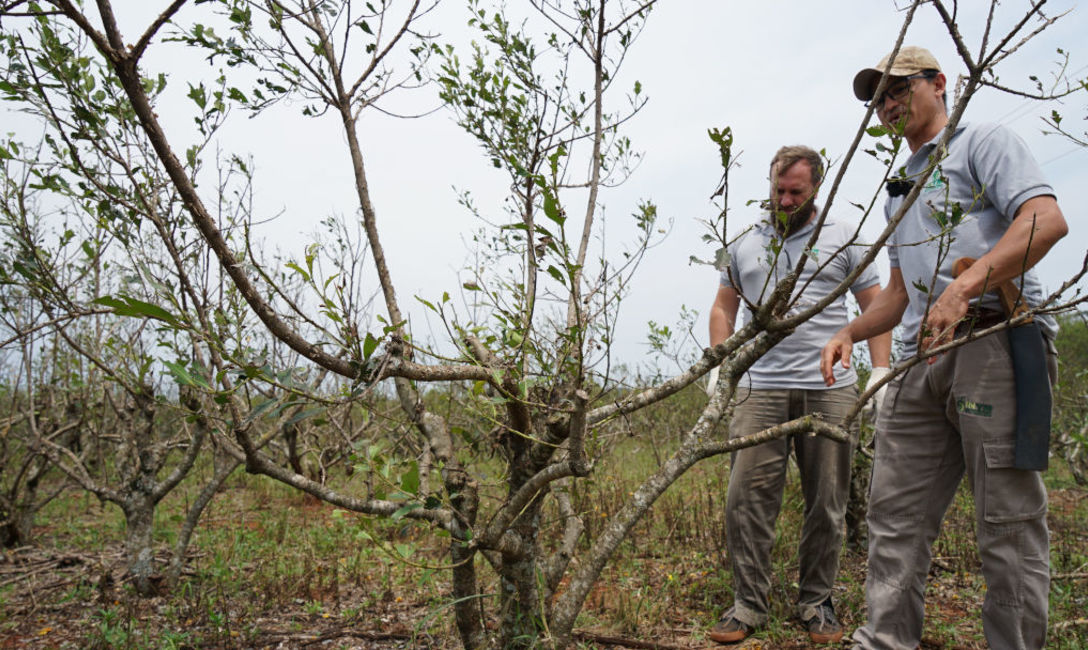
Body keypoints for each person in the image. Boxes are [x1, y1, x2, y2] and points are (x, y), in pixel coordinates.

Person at [821, 46, 1068, 650]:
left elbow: (1045, 219)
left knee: (1006, 520)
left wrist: (965, 286)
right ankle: (883, 639)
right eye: (878, 97)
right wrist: (850, 332)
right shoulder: (900, 186)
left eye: (899, 88)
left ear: (940, 83)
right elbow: (901, 293)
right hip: (920, 353)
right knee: (893, 512)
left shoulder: (982, 143)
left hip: (995, 334)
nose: (887, 103)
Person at [707, 145, 892, 645]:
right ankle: (748, 604)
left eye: (796, 192)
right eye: (778, 190)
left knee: (826, 501)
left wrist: (880, 368)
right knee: (746, 499)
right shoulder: (744, 241)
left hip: (829, 389)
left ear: (816, 189)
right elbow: (723, 307)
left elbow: (874, 305)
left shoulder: (846, 238)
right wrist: (721, 358)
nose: (785, 200)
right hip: (758, 386)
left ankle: (816, 602)